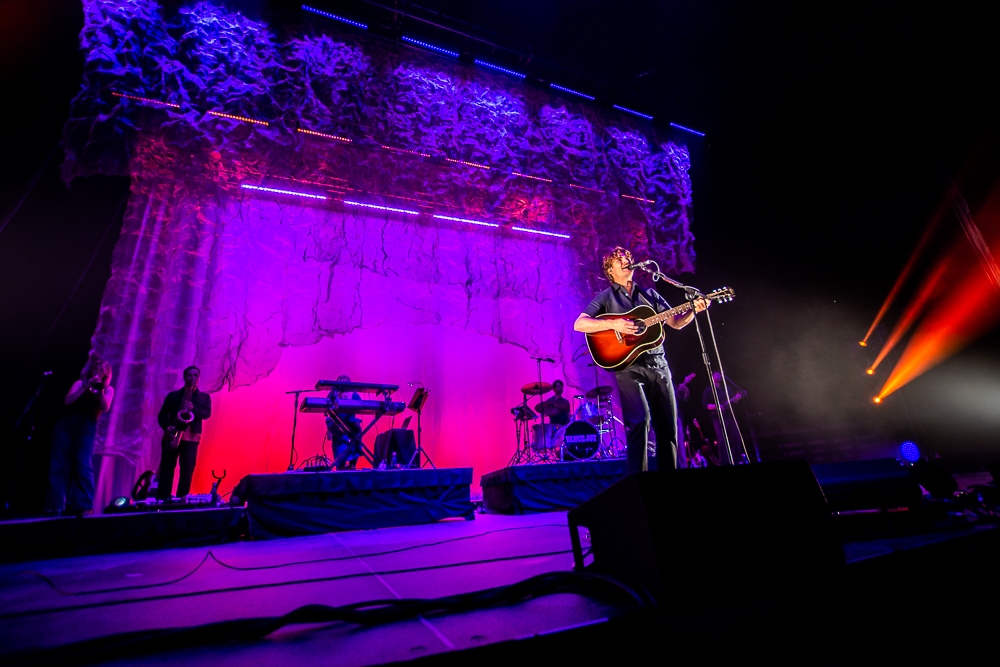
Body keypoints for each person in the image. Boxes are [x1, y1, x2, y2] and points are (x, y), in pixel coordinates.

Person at [574, 247, 709, 473]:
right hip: (628, 367)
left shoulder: (650, 295)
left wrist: (693, 310)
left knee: (668, 426)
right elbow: (580, 324)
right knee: (640, 421)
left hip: (659, 365)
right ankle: (640, 482)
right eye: (619, 259)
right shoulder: (605, 297)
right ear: (610, 270)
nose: (626, 261)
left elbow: (675, 323)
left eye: (627, 257)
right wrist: (614, 324)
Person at [46, 356, 114, 515]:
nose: (97, 373)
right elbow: (67, 401)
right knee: (58, 465)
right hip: (67, 424)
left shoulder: (108, 389)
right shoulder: (79, 383)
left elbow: (105, 407)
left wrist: (99, 390)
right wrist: (85, 388)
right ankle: (55, 506)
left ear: (106, 375)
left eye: (101, 372)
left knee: (83, 464)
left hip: (88, 425)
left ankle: (82, 506)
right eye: (96, 370)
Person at [156, 366, 212, 500]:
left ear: (198, 378)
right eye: (189, 375)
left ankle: (182, 500)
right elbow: (162, 415)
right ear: (184, 377)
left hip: (191, 438)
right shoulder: (173, 396)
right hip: (172, 436)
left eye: (195, 375)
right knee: (166, 470)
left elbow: (206, 414)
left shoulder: (204, 397)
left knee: (187, 471)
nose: (192, 378)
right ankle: (163, 500)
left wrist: (194, 409)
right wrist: (167, 426)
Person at [702, 371, 746, 465]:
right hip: (717, 418)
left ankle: (737, 460)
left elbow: (733, 402)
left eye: (720, 374)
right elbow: (705, 405)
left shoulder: (727, 388)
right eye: (717, 374)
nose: (720, 376)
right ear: (712, 377)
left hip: (729, 416)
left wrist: (736, 399)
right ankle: (723, 462)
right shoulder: (709, 390)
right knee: (722, 440)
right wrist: (716, 407)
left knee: (736, 438)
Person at [326, 374, 364, 469]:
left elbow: (361, 406)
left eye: (347, 381)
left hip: (350, 420)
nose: (344, 382)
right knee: (339, 432)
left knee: (357, 430)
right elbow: (327, 407)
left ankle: (352, 462)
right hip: (336, 419)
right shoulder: (333, 394)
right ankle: (341, 464)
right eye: (342, 381)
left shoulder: (354, 394)